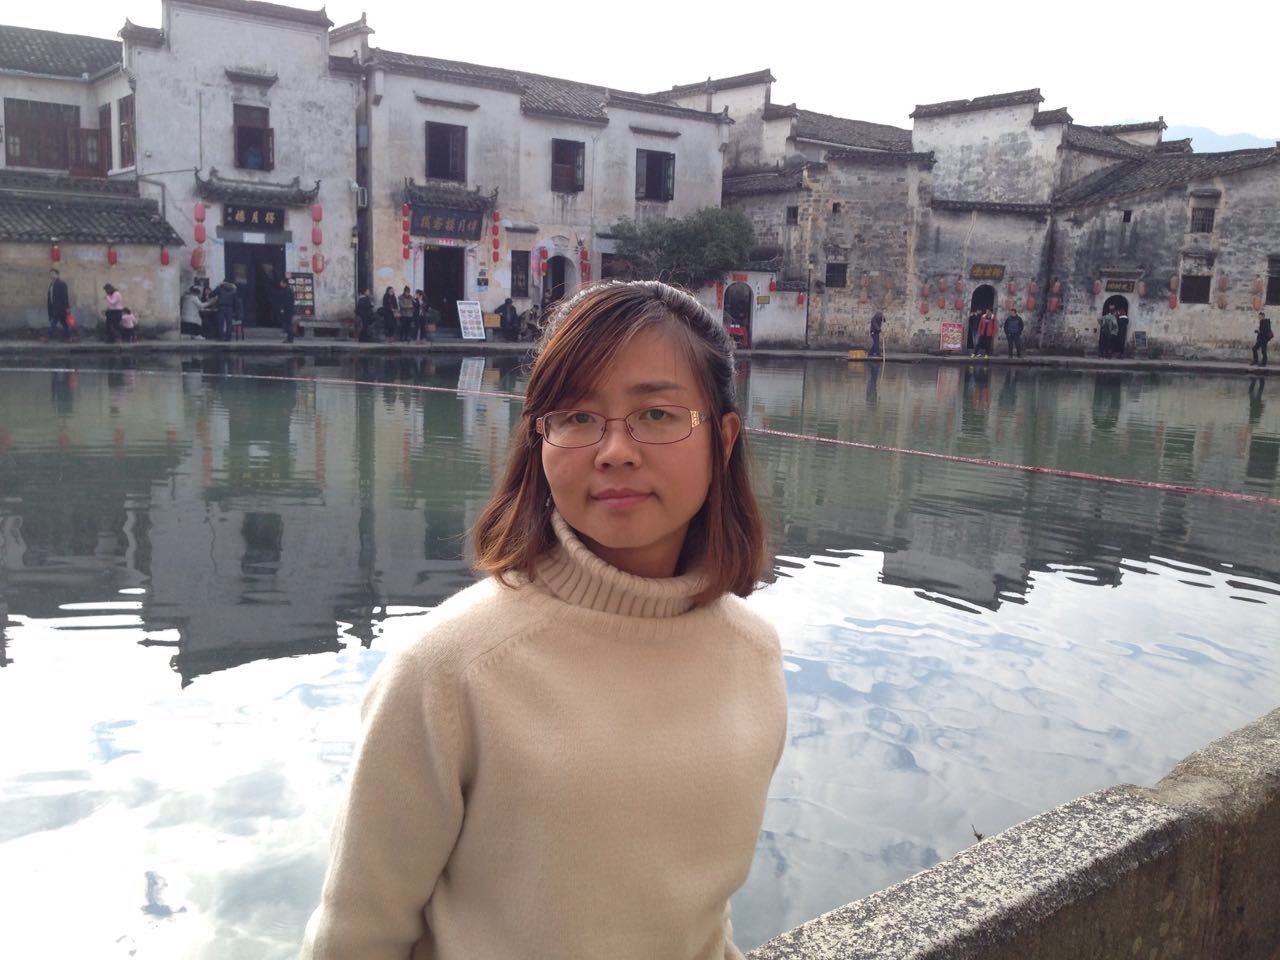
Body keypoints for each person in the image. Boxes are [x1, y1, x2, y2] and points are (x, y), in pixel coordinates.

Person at [302, 280, 786, 960]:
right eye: (578, 416)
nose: (614, 449)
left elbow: (699, 919)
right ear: (541, 439)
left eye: (657, 414)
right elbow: (357, 939)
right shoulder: (451, 670)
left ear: (724, 438)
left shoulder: (754, 653)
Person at [47, 268, 71, 340]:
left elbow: (65, 296)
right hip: (54, 308)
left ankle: (49, 336)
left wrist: (67, 308)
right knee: (64, 323)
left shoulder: (61, 284)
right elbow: (50, 297)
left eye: (53, 273)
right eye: (50, 274)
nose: (51, 275)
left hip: (60, 308)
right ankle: (70, 336)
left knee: (54, 322)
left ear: (57, 274)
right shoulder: (51, 285)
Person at [213, 277, 239, 342]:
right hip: (230, 308)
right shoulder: (233, 289)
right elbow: (235, 300)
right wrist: (235, 310)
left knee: (221, 323)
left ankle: (221, 337)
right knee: (229, 323)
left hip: (221, 307)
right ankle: (228, 338)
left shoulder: (220, 288)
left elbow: (212, 294)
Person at [276, 277, 296, 343]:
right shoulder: (288, 290)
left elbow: (285, 301)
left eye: (281, 282)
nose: (280, 284)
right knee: (287, 324)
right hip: (289, 310)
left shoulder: (286, 291)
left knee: (288, 324)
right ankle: (289, 338)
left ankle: (290, 338)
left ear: (285, 283)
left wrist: (282, 309)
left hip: (287, 310)